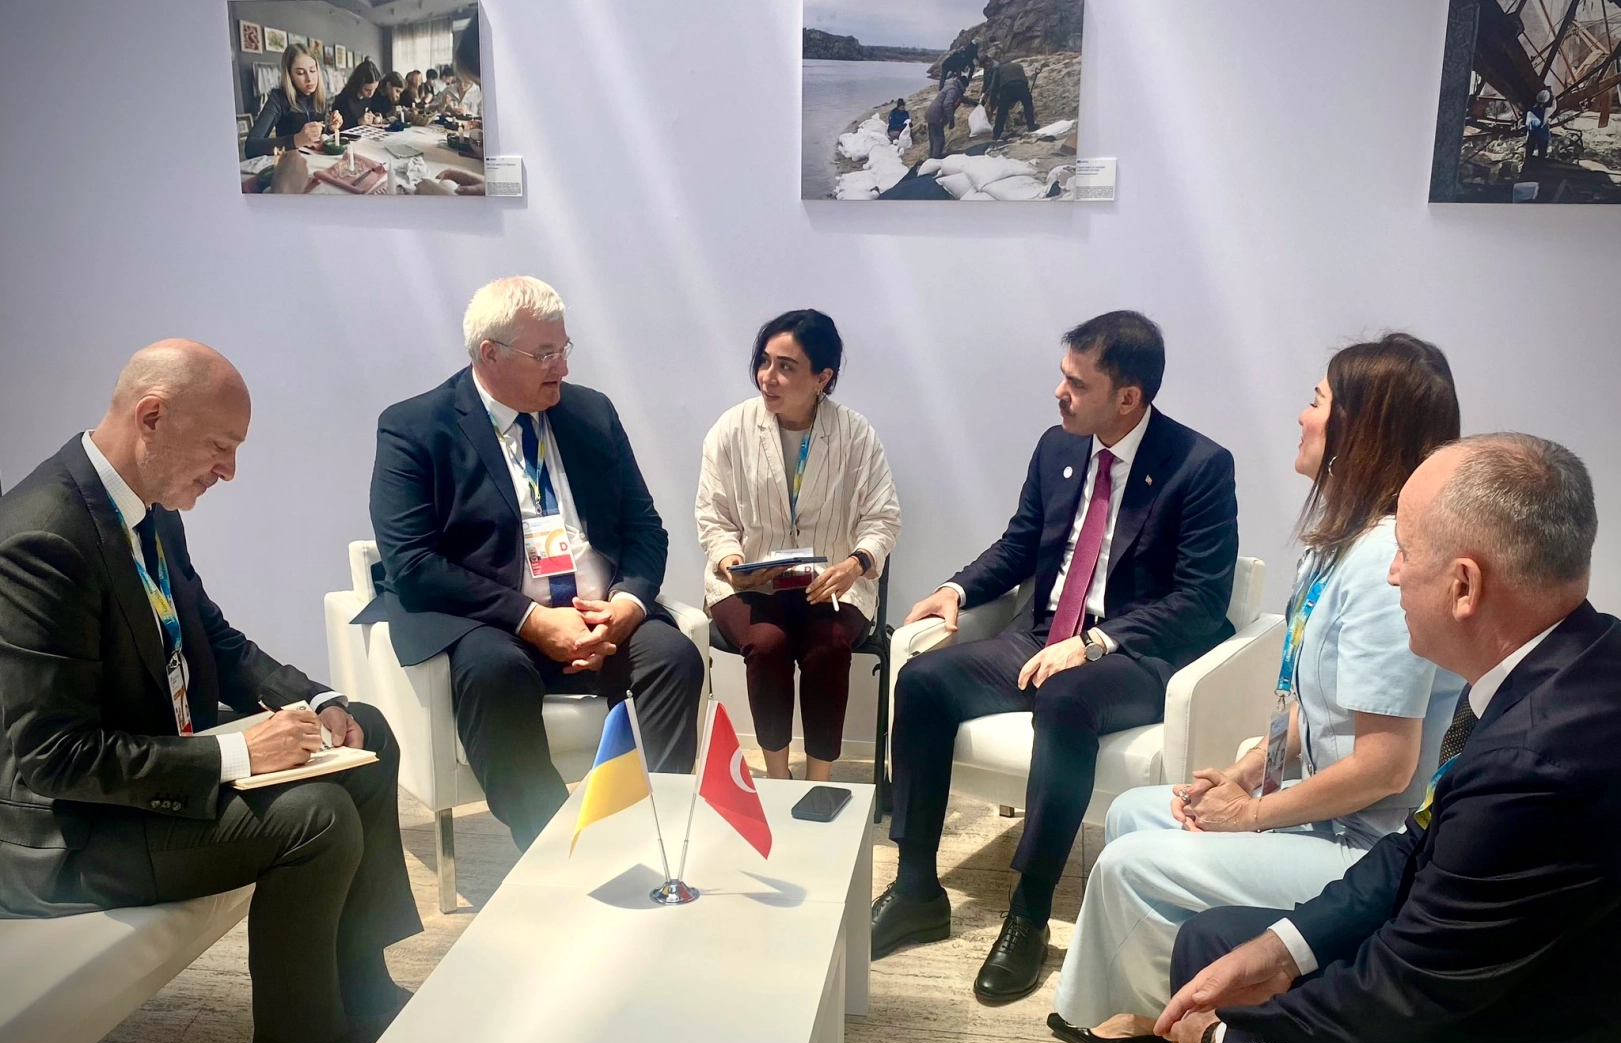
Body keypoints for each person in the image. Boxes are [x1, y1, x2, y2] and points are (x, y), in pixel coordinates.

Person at [0, 341, 421, 1043]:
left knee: (368, 733)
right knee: (316, 818)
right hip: (73, 835)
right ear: (152, 418)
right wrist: (238, 754)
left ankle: (360, 999)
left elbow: (213, 642)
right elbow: (52, 759)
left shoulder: (148, 509)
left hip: (142, 781)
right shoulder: (43, 537)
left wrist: (319, 699)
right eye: (221, 447)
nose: (229, 470)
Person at [1149, 433, 1621, 1043]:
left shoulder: (1534, 765)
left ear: (1463, 585)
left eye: (1404, 551)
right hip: (1476, 968)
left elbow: (1410, 988)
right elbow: (1415, 841)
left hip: (1522, 1032)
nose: (1392, 572)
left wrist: (1225, 1039)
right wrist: (1281, 950)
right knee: (1215, 941)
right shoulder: (1569, 656)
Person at [1047, 334, 1466, 1043]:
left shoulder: (1383, 568)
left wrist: (1254, 815)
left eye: (1317, 402)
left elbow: (1386, 765)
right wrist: (1245, 776)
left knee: (1126, 863)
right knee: (1131, 812)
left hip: (1365, 847)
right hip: (1321, 813)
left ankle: (1162, 1024)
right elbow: (1311, 703)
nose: (1302, 417)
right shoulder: (1337, 546)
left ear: (1360, 431)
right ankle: (1168, 1013)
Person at [872, 310, 1240, 1005]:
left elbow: (1200, 599)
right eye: (1062, 375)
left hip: (1132, 650)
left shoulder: (1198, 467)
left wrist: (1095, 643)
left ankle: (1029, 911)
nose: (1058, 392)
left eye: (1077, 382)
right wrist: (956, 589)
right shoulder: (1057, 447)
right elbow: (1020, 544)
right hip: (1043, 633)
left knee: (1066, 697)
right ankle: (916, 886)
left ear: (1127, 397)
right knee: (920, 681)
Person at [362, 277, 703, 851]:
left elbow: (644, 527)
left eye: (564, 349)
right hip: (495, 624)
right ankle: (552, 851)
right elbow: (412, 563)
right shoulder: (416, 426)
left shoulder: (591, 412)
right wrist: (534, 620)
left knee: (674, 657)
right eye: (544, 354)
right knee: (492, 673)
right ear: (489, 354)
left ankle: (653, 840)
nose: (562, 368)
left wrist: (626, 605)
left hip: (599, 616)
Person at [695, 311, 901, 782]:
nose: (768, 377)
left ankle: (818, 780)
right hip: (748, 586)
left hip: (830, 584)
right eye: (764, 361)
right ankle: (777, 776)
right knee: (767, 645)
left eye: (785, 366)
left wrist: (855, 564)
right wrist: (730, 561)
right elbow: (713, 515)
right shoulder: (732, 429)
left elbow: (883, 517)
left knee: (827, 648)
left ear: (822, 378)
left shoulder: (854, 434)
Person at [243, 43, 328, 158]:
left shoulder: (320, 97)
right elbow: (250, 147)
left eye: (312, 71)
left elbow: (321, 136)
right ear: (290, 75)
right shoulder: (278, 99)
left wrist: (330, 128)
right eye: (300, 73)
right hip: (290, 164)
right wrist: (296, 140)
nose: (309, 79)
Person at [924, 74, 976, 160]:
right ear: (963, 85)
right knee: (939, 138)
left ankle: (931, 157)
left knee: (933, 137)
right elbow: (947, 104)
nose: (965, 90)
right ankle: (936, 158)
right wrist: (951, 119)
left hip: (931, 113)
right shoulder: (953, 90)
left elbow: (960, 98)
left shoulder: (951, 87)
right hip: (937, 116)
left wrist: (973, 103)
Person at [983, 58, 1037, 140]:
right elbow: (1024, 79)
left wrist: (992, 101)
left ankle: (996, 134)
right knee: (1028, 106)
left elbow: (994, 86)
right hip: (1022, 86)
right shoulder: (1018, 65)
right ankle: (1031, 126)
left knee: (1002, 112)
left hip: (1007, 87)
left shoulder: (998, 68)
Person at [331, 59, 383, 130]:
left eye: (374, 89)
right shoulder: (343, 99)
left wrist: (373, 116)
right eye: (367, 90)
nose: (371, 94)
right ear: (359, 84)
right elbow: (337, 126)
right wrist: (358, 121)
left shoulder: (368, 97)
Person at [1525, 88, 1554, 162]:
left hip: (1532, 136)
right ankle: (1539, 167)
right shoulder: (1546, 111)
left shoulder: (1530, 111)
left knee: (1528, 155)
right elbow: (1554, 107)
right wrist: (1553, 96)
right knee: (1541, 156)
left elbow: (1527, 124)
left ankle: (1527, 166)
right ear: (1546, 101)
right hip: (1543, 137)